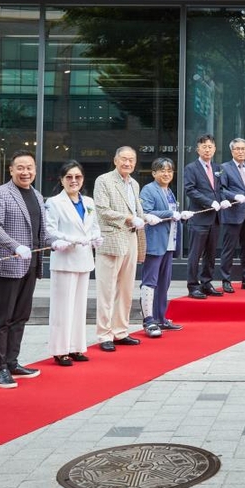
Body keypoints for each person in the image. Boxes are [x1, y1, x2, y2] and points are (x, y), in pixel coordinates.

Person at [0, 150, 57, 388]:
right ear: (12, 170)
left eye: (30, 168)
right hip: (7, 264)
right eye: (20, 168)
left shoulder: (37, 195)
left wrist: (55, 242)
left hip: (31, 265)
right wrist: (14, 246)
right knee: (2, 319)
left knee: (21, 316)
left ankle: (12, 361)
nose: (25, 172)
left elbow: (42, 231)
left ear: (35, 170)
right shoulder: (0, 193)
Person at [44, 161, 101, 366]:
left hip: (84, 259)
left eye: (77, 177)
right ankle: (60, 350)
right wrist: (71, 239)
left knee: (79, 306)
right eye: (69, 177)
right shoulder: (54, 202)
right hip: (65, 259)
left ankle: (76, 346)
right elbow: (50, 231)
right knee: (62, 307)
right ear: (61, 180)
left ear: (83, 179)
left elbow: (94, 227)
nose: (73, 181)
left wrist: (95, 237)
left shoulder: (88, 202)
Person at [93, 146, 146, 351]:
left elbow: (138, 209)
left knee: (126, 288)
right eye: (124, 159)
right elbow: (102, 210)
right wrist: (129, 218)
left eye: (131, 160)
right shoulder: (104, 180)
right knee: (107, 290)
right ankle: (104, 334)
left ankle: (120, 331)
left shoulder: (134, 183)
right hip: (112, 239)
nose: (127, 163)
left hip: (132, 238)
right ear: (115, 160)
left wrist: (144, 217)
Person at [141, 157, 186, 336]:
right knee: (150, 282)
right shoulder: (149, 189)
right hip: (155, 243)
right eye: (162, 170)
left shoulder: (169, 191)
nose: (166, 174)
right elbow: (145, 212)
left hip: (169, 243)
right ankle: (149, 321)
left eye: (169, 171)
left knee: (164, 283)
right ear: (154, 173)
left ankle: (161, 318)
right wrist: (171, 213)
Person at [183, 134, 224, 297]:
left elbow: (220, 189)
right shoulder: (191, 168)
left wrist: (226, 199)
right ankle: (193, 286)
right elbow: (190, 190)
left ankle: (206, 282)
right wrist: (209, 202)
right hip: (199, 218)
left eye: (210, 146)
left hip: (215, 218)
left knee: (211, 253)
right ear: (198, 149)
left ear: (214, 149)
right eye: (204, 146)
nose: (207, 149)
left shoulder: (217, 168)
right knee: (196, 253)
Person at [218, 137, 245, 291]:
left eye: (243, 149)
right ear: (232, 151)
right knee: (229, 249)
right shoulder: (224, 167)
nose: (241, 151)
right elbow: (221, 189)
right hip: (232, 214)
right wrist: (234, 196)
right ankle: (226, 280)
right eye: (237, 148)